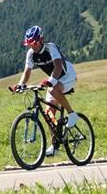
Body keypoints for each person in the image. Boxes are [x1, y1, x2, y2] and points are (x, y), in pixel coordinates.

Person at [13, 25, 78, 156]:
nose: (33, 46)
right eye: (29, 44)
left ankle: (72, 114)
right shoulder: (31, 54)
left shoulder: (51, 47)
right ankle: (55, 146)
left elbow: (58, 67)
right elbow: (27, 72)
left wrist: (51, 81)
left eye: (35, 43)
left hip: (67, 75)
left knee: (54, 90)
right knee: (49, 113)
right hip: (54, 80)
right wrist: (20, 85)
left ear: (41, 40)